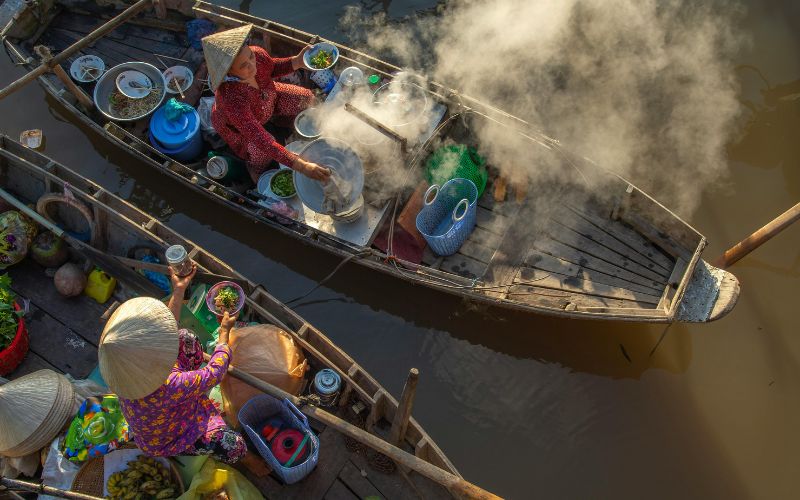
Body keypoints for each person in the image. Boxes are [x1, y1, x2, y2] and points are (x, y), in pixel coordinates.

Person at [97, 265, 266, 474]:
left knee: (184, 337)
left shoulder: (125, 373)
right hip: (173, 434)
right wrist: (224, 333)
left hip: (168, 408)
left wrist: (179, 289)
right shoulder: (170, 384)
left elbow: (169, 326)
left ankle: (193, 390)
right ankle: (249, 461)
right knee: (231, 444)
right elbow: (215, 373)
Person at [202, 24, 331, 183]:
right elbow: (262, 141)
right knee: (260, 151)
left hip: (267, 98)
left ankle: (281, 121)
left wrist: (297, 61)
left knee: (306, 97)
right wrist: (302, 166)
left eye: (250, 57)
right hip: (241, 129)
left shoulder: (257, 54)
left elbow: (271, 67)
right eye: (243, 66)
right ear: (229, 73)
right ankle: (254, 170)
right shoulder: (231, 99)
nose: (252, 65)